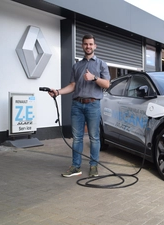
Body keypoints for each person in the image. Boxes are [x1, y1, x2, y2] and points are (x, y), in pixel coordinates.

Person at [48, 34, 110, 178]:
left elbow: (106, 84)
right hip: (77, 105)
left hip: (93, 104)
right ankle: (76, 167)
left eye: (91, 44)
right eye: (85, 44)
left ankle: (93, 166)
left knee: (94, 137)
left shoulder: (101, 64)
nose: (88, 46)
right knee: (77, 138)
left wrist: (94, 78)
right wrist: (58, 92)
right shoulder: (77, 65)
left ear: (95, 46)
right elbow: (72, 86)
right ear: (82, 46)